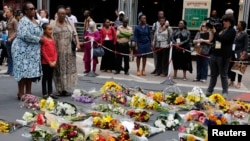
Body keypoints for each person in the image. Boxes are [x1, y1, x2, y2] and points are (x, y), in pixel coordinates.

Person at [11, 2, 43, 100]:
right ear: (26, 11)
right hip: (21, 50)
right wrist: (39, 39)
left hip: (32, 51)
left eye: (34, 8)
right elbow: (24, 35)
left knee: (30, 72)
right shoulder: (23, 21)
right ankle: (21, 93)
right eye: (31, 9)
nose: (33, 10)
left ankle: (28, 92)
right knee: (22, 71)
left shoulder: (36, 20)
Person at [50, 5, 80, 96]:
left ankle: (65, 89)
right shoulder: (52, 23)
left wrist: (78, 43)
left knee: (67, 70)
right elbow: (48, 35)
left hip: (68, 51)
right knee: (58, 70)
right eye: (61, 14)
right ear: (57, 14)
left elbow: (75, 34)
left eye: (64, 14)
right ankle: (59, 89)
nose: (62, 15)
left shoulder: (70, 23)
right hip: (57, 51)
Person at [206, 14, 236, 97]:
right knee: (213, 74)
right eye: (223, 20)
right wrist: (211, 30)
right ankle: (209, 90)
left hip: (224, 55)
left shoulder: (232, 31)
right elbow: (212, 39)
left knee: (223, 74)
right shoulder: (221, 29)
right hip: (214, 53)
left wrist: (215, 32)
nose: (223, 22)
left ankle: (225, 92)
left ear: (230, 22)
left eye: (225, 21)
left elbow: (223, 39)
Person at [228, 21, 248, 88]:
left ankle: (239, 82)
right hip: (233, 52)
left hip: (240, 52)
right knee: (232, 67)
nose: (237, 25)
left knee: (240, 68)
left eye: (238, 25)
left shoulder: (245, 34)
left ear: (242, 26)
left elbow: (246, 45)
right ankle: (232, 80)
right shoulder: (235, 33)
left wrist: (243, 54)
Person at [41, 23, 58, 99]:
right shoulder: (43, 39)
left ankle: (50, 92)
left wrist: (55, 60)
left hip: (53, 62)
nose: (51, 31)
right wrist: (49, 61)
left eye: (51, 29)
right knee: (45, 77)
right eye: (49, 29)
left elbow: (55, 51)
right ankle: (45, 93)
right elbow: (43, 52)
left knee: (50, 77)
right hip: (45, 62)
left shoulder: (52, 39)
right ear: (44, 30)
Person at [5, 7, 18, 76]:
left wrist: (11, 38)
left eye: (7, 12)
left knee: (13, 55)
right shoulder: (8, 20)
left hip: (12, 40)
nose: (6, 13)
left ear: (11, 13)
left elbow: (17, 31)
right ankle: (9, 70)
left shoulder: (14, 21)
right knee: (9, 55)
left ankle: (13, 70)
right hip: (8, 39)